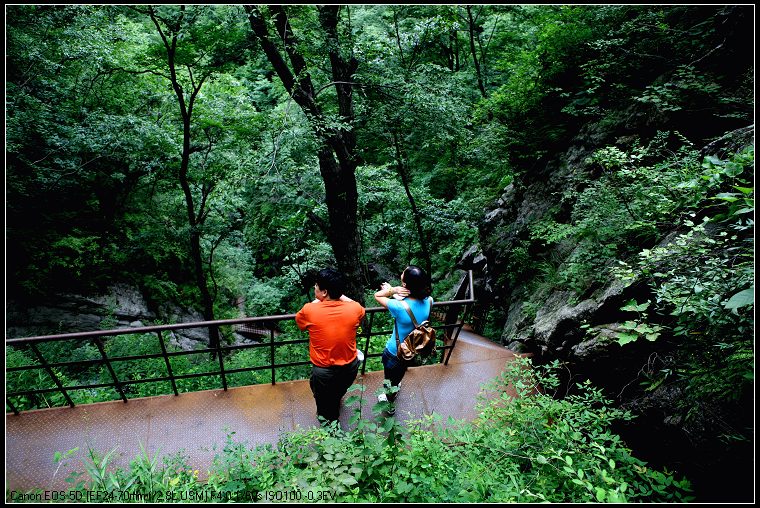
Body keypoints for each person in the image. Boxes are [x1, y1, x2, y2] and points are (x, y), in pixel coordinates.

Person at [295, 268, 365, 424]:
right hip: (350, 367)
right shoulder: (354, 309)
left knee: (324, 404)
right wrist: (338, 294)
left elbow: (300, 324)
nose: (314, 288)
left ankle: (331, 429)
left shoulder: (309, 310)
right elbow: (357, 307)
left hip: (324, 370)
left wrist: (319, 300)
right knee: (338, 392)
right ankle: (334, 407)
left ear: (324, 292)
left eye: (316, 286)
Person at [373, 265, 433, 414]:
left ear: (405, 285)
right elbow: (410, 304)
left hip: (395, 351)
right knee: (399, 373)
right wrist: (396, 292)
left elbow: (378, 296)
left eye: (403, 274)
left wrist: (392, 290)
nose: (401, 273)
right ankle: (396, 383)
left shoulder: (398, 307)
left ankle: (389, 403)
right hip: (413, 347)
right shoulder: (429, 301)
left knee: (389, 379)